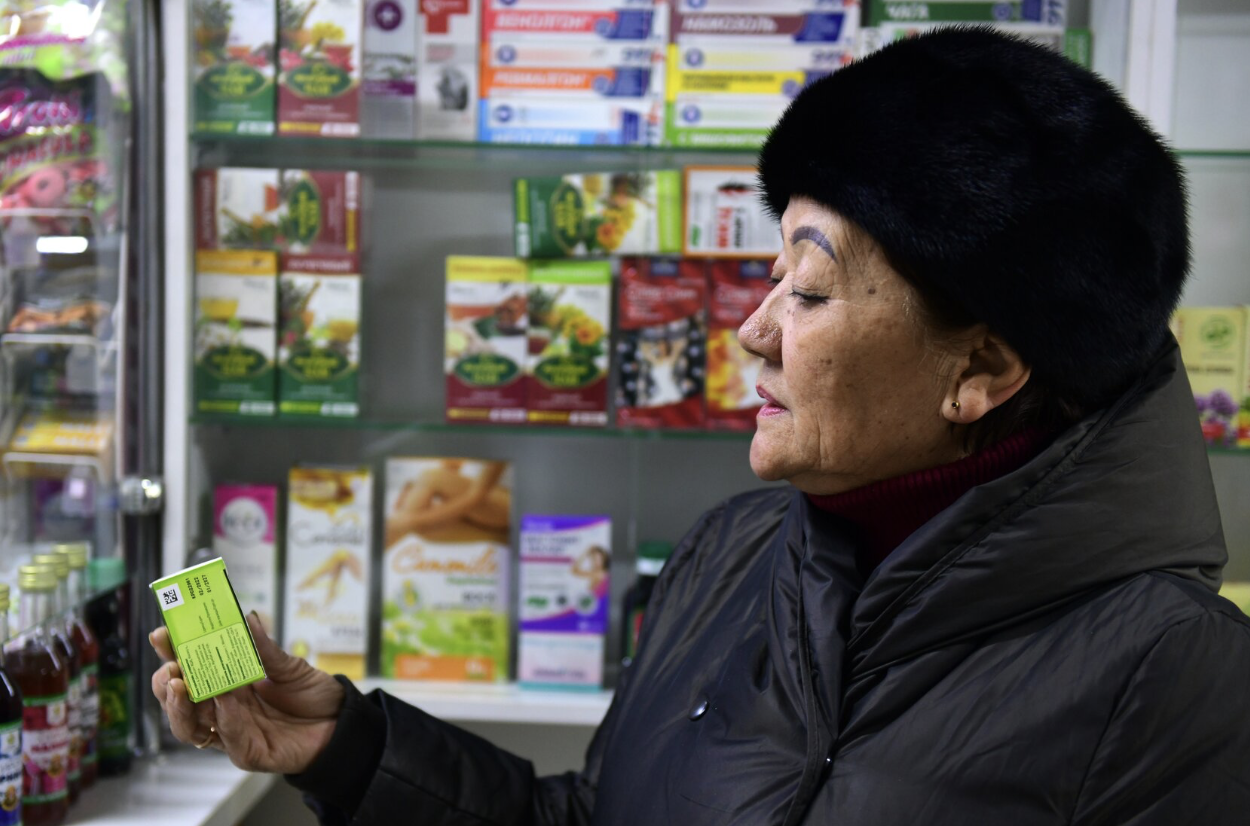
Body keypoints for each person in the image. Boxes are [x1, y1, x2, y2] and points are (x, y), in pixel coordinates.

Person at [151, 27, 1250, 824]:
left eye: (809, 293)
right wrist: (344, 751)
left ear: (982, 367)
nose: (751, 333)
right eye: (768, 277)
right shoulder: (735, 550)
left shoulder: (1180, 680)